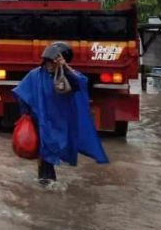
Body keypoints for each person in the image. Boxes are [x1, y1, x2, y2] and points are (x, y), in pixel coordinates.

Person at [13, 42, 109, 185]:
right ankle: (47, 184)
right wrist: (27, 116)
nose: (50, 65)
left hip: (60, 122)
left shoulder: (67, 75)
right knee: (45, 153)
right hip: (41, 121)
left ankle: (47, 182)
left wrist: (65, 67)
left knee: (57, 148)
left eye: (53, 62)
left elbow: (79, 84)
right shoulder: (35, 75)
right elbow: (21, 93)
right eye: (48, 62)